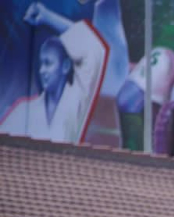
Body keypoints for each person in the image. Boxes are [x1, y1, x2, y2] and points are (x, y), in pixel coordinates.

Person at [0, 4, 110, 143]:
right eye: (41, 64)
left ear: (65, 66)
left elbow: (92, 48)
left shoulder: (77, 99)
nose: (42, 71)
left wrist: (47, 17)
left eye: (48, 63)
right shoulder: (23, 111)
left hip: (67, 163)